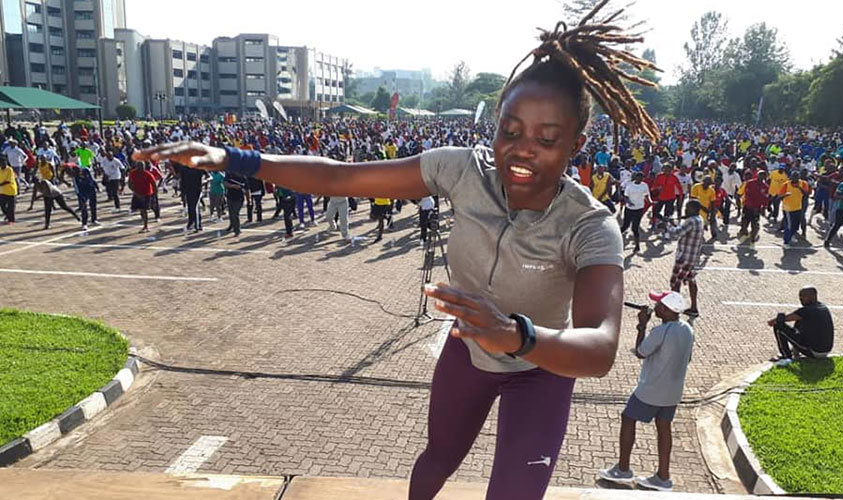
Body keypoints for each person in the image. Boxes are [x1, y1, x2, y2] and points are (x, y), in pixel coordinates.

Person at [136, 7, 658, 497]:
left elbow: (601, 347)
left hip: (543, 369)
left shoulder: (590, 225)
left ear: (576, 144)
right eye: (511, 130)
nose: (522, 149)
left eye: (548, 138)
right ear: (496, 126)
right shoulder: (462, 170)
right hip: (470, 352)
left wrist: (517, 335)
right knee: (436, 460)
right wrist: (235, 158)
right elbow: (341, 178)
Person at [597, 291, 693, 492]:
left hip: (652, 390)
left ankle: (623, 470)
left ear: (666, 310)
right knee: (664, 427)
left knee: (628, 418)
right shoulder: (687, 329)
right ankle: (663, 477)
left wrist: (642, 325)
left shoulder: (661, 331)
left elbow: (641, 351)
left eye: (658, 304)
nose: (655, 306)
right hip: (673, 392)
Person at [766, 286, 833, 364]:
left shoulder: (807, 310)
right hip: (825, 350)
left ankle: (785, 356)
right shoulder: (822, 307)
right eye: (800, 297)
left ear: (813, 296)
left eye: (803, 297)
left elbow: (781, 320)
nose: (801, 299)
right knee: (799, 322)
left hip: (814, 351)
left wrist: (774, 321)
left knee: (778, 326)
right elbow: (796, 316)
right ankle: (795, 351)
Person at [662, 200, 703, 316]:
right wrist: (674, 223)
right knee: (691, 280)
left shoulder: (690, 221)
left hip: (684, 257)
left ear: (694, 209)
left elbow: (676, 233)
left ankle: (674, 310)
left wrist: (667, 225)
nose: (685, 210)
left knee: (675, 282)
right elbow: (683, 230)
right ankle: (694, 308)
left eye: (688, 208)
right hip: (692, 257)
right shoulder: (699, 219)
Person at [620, 171, 652, 252]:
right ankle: (616, 238)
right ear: (635, 178)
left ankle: (637, 246)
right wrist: (629, 202)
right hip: (629, 209)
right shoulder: (630, 186)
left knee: (635, 228)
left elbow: (646, 195)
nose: (640, 179)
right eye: (638, 177)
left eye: (641, 178)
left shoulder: (644, 186)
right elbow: (626, 196)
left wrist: (650, 202)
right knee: (625, 226)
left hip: (639, 209)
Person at [778, 171, 810, 247]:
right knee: (788, 225)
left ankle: (791, 235)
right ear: (791, 177)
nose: (795, 178)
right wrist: (785, 195)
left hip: (798, 207)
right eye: (793, 177)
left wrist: (799, 188)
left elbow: (806, 194)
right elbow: (779, 196)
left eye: (796, 177)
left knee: (795, 225)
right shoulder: (785, 184)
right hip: (787, 208)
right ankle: (786, 242)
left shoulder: (803, 183)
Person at [128, 161, 156, 233]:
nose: (141, 168)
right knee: (140, 209)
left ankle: (145, 226)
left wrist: (154, 195)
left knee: (144, 210)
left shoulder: (147, 174)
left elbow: (154, 184)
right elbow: (129, 184)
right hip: (137, 193)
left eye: (143, 166)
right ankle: (144, 223)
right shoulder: (133, 173)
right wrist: (135, 192)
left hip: (146, 193)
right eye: (140, 166)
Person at [73, 165, 99, 230]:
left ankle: (94, 219)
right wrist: (81, 197)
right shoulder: (75, 177)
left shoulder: (86, 170)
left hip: (91, 189)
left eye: (80, 170)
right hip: (82, 192)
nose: (79, 172)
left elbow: (92, 179)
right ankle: (84, 224)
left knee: (93, 205)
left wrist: (97, 187)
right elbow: (77, 189)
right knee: (84, 208)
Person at [0, 156, 18, 224]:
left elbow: (8, 181)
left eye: (4, 162)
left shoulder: (9, 169)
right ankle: (8, 215)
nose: (3, 164)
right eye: (2, 163)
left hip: (11, 191)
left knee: (11, 207)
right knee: (2, 205)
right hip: (3, 191)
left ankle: (11, 220)